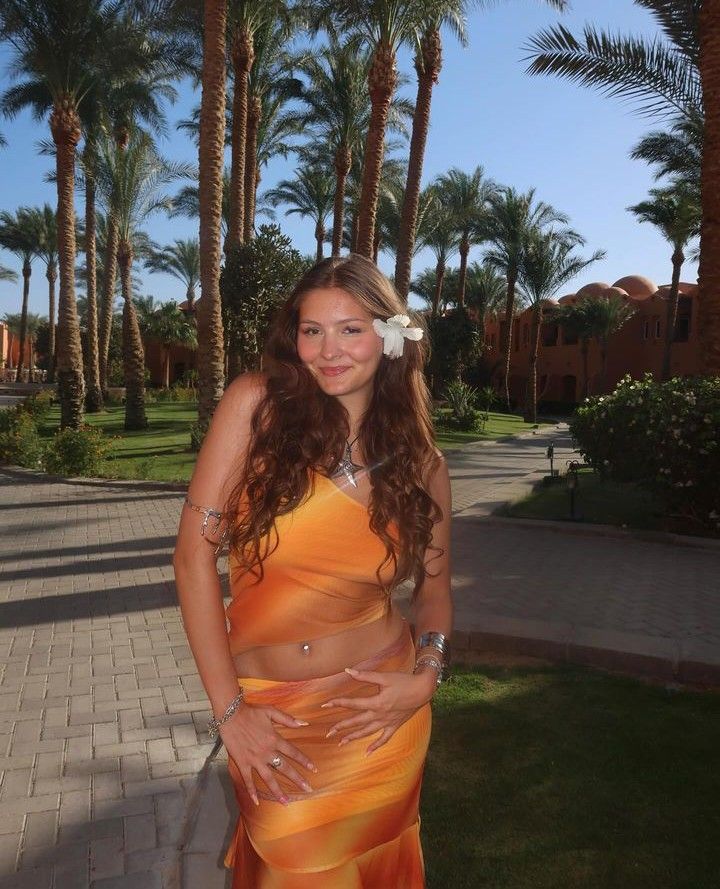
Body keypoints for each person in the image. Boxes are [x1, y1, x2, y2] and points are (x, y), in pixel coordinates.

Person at [173, 253, 453, 888]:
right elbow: (192, 558)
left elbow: (435, 590)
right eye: (312, 330)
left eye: (350, 329)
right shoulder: (255, 408)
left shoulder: (422, 465)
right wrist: (229, 712)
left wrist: (426, 677)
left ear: (389, 338)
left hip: (378, 713)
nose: (329, 350)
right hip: (272, 715)